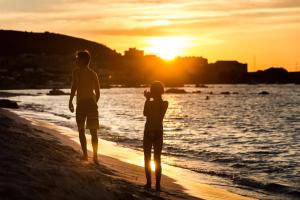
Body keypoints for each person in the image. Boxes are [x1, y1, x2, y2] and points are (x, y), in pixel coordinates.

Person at [69, 50, 100, 164]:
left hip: (83, 104)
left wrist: (71, 101)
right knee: (92, 131)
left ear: (83, 60)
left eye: (78, 58)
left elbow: (74, 87)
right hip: (90, 104)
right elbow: (97, 92)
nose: (76, 60)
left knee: (84, 130)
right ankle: (93, 156)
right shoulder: (92, 74)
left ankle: (88, 156)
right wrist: (93, 102)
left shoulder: (77, 72)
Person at [143, 81, 168, 191]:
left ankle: (149, 183)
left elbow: (145, 113)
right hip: (158, 132)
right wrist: (151, 98)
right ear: (162, 91)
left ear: (152, 91)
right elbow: (161, 111)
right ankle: (157, 185)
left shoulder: (149, 103)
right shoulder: (165, 103)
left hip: (148, 131)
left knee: (147, 158)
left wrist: (148, 99)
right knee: (157, 159)